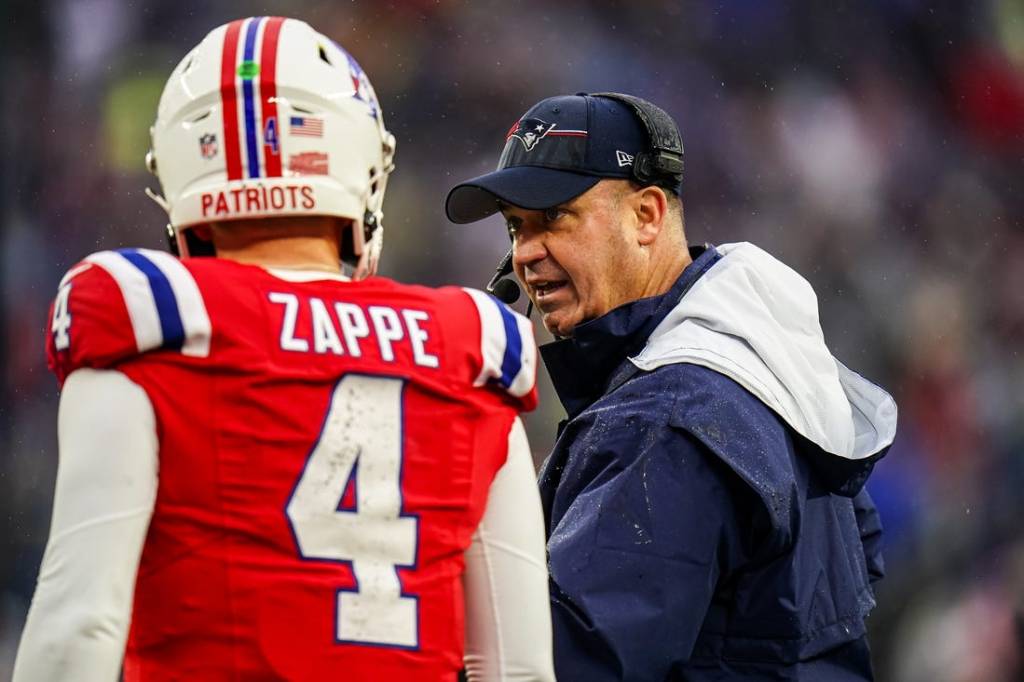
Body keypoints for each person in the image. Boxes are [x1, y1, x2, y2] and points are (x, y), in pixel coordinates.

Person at [14, 17, 554, 682]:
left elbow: (79, 628)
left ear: (183, 176)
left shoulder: (155, 316)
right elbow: (520, 667)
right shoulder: (473, 342)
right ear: (361, 165)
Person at [445, 92, 897, 680]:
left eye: (554, 217)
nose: (525, 253)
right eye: (515, 227)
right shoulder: (771, 363)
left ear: (648, 215)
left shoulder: (665, 417)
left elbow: (566, 664)